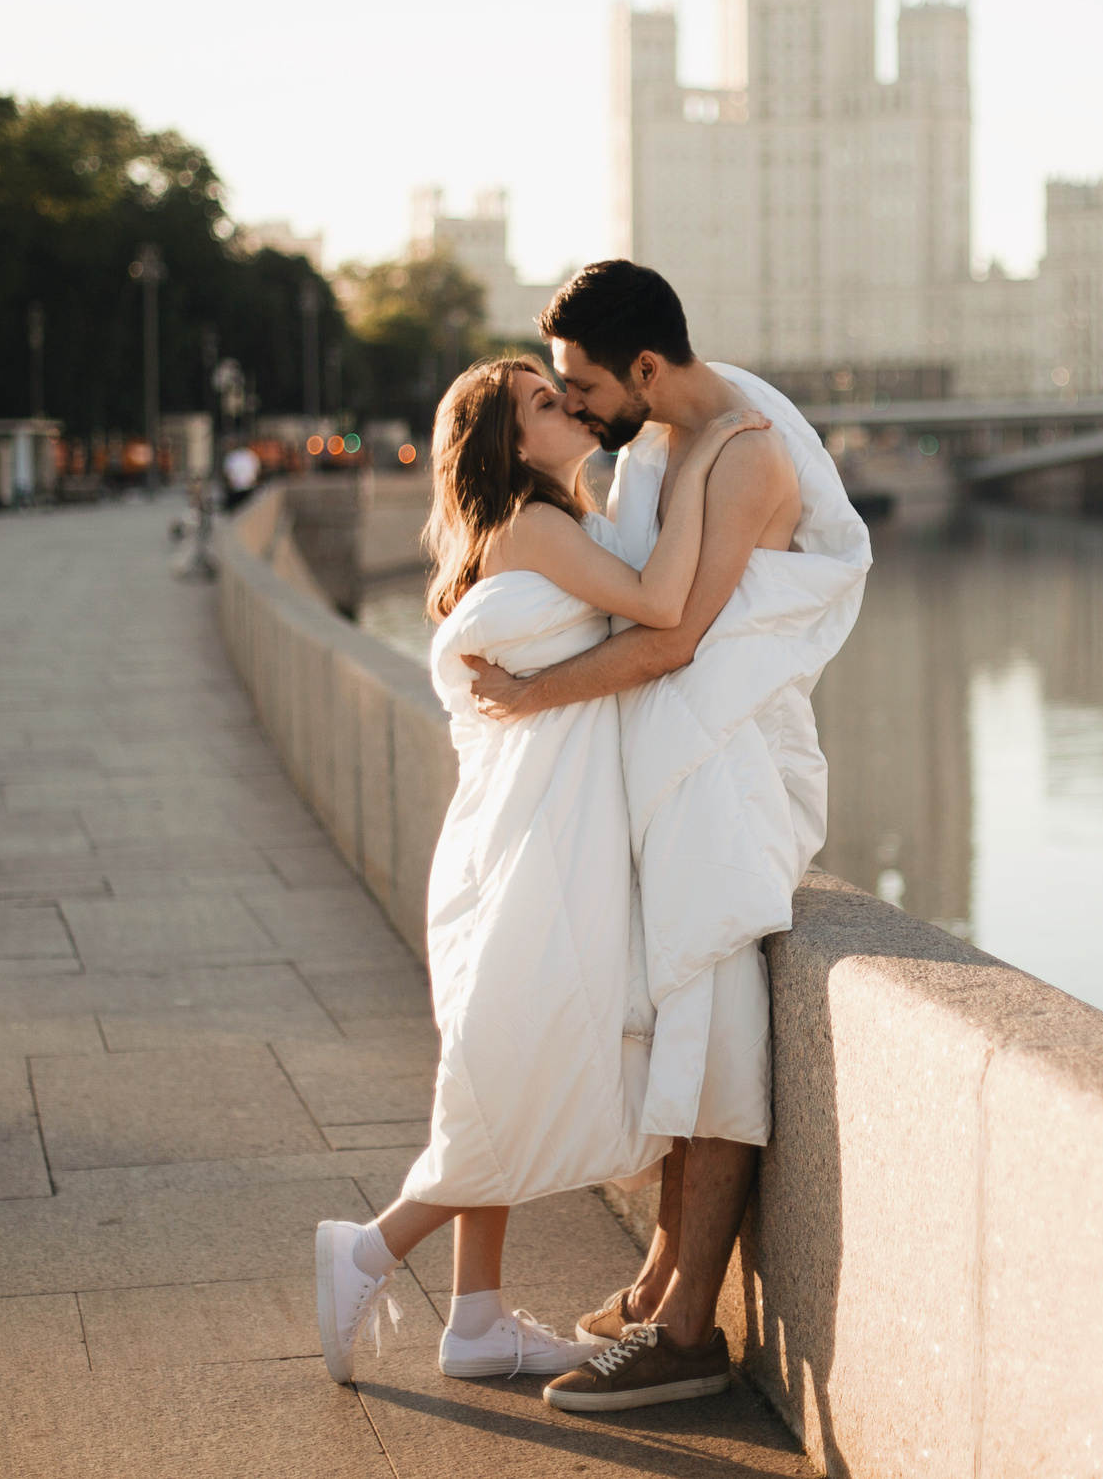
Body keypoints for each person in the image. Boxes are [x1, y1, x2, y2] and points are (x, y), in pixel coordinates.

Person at [312, 356, 767, 1386]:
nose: (567, 408)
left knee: (496, 1066)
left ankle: (475, 1318)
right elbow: (660, 603)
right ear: (512, 444)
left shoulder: (538, 525)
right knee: (510, 1068)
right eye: (544, 402)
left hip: (522, 829)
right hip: (530, 841)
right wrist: (705, 463)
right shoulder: (535, 526)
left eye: (562, 394)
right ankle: (370, 1247)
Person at [463, 261, 870, 1413]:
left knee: (714, 1024)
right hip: (678, 774)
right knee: (682, 1024)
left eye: (583, 383)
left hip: (725, 771)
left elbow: (674, 639)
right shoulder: (654, 449)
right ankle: (662, 1290)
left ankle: (690, 1331)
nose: (577, 404)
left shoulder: (742, 456)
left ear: (645, 368)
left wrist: (530, 696)